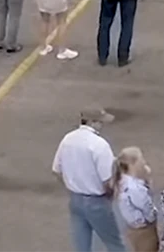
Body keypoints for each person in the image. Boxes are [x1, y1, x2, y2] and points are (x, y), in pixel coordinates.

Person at [53, 108, 127, 252]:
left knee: (82, 246)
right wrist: (111, 195)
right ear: (92, 122)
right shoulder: (99, 145)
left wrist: (73, 187)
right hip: (96, 201)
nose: (102, 125)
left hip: (75, 200)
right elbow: (107, 180)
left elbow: (56, 171)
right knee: (115, 244)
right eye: (100, 122)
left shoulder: (67, 139)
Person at [115, 146, 160, 252]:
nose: (144, 162)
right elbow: (145, 206)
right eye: (141, 159)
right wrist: (153, 218)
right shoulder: (134, 187)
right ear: (132, 164)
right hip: (143, 230)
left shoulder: (123, 180)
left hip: (133, 228)